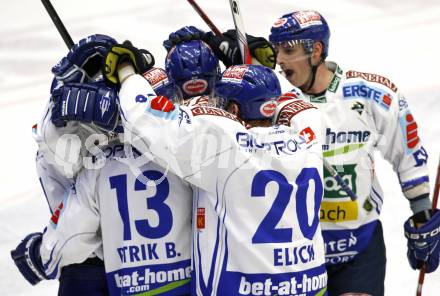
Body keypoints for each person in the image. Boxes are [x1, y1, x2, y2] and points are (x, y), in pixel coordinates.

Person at [104, 36, 328, 295]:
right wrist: (250, 70)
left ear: (233, 108)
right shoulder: (309, 135)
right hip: (309, 287)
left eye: (221, 102)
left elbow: (146, 118)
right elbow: (290, 103)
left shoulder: (224, 146)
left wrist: (127, 72)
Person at [268, 10, 440, 295]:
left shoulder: (369, 93)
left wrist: (422, 215)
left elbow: (406, 151)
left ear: (316, 51)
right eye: (276, 52)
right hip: (297, 251)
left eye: (288, 50)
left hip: (359, 246)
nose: (280, 61)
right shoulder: (274, 104)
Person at [11, 35, 194, 296]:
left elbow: (74, 229)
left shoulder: (98, 162)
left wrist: (41, 256)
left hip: (99, 272)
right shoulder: (191, 151)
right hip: (187, 282)